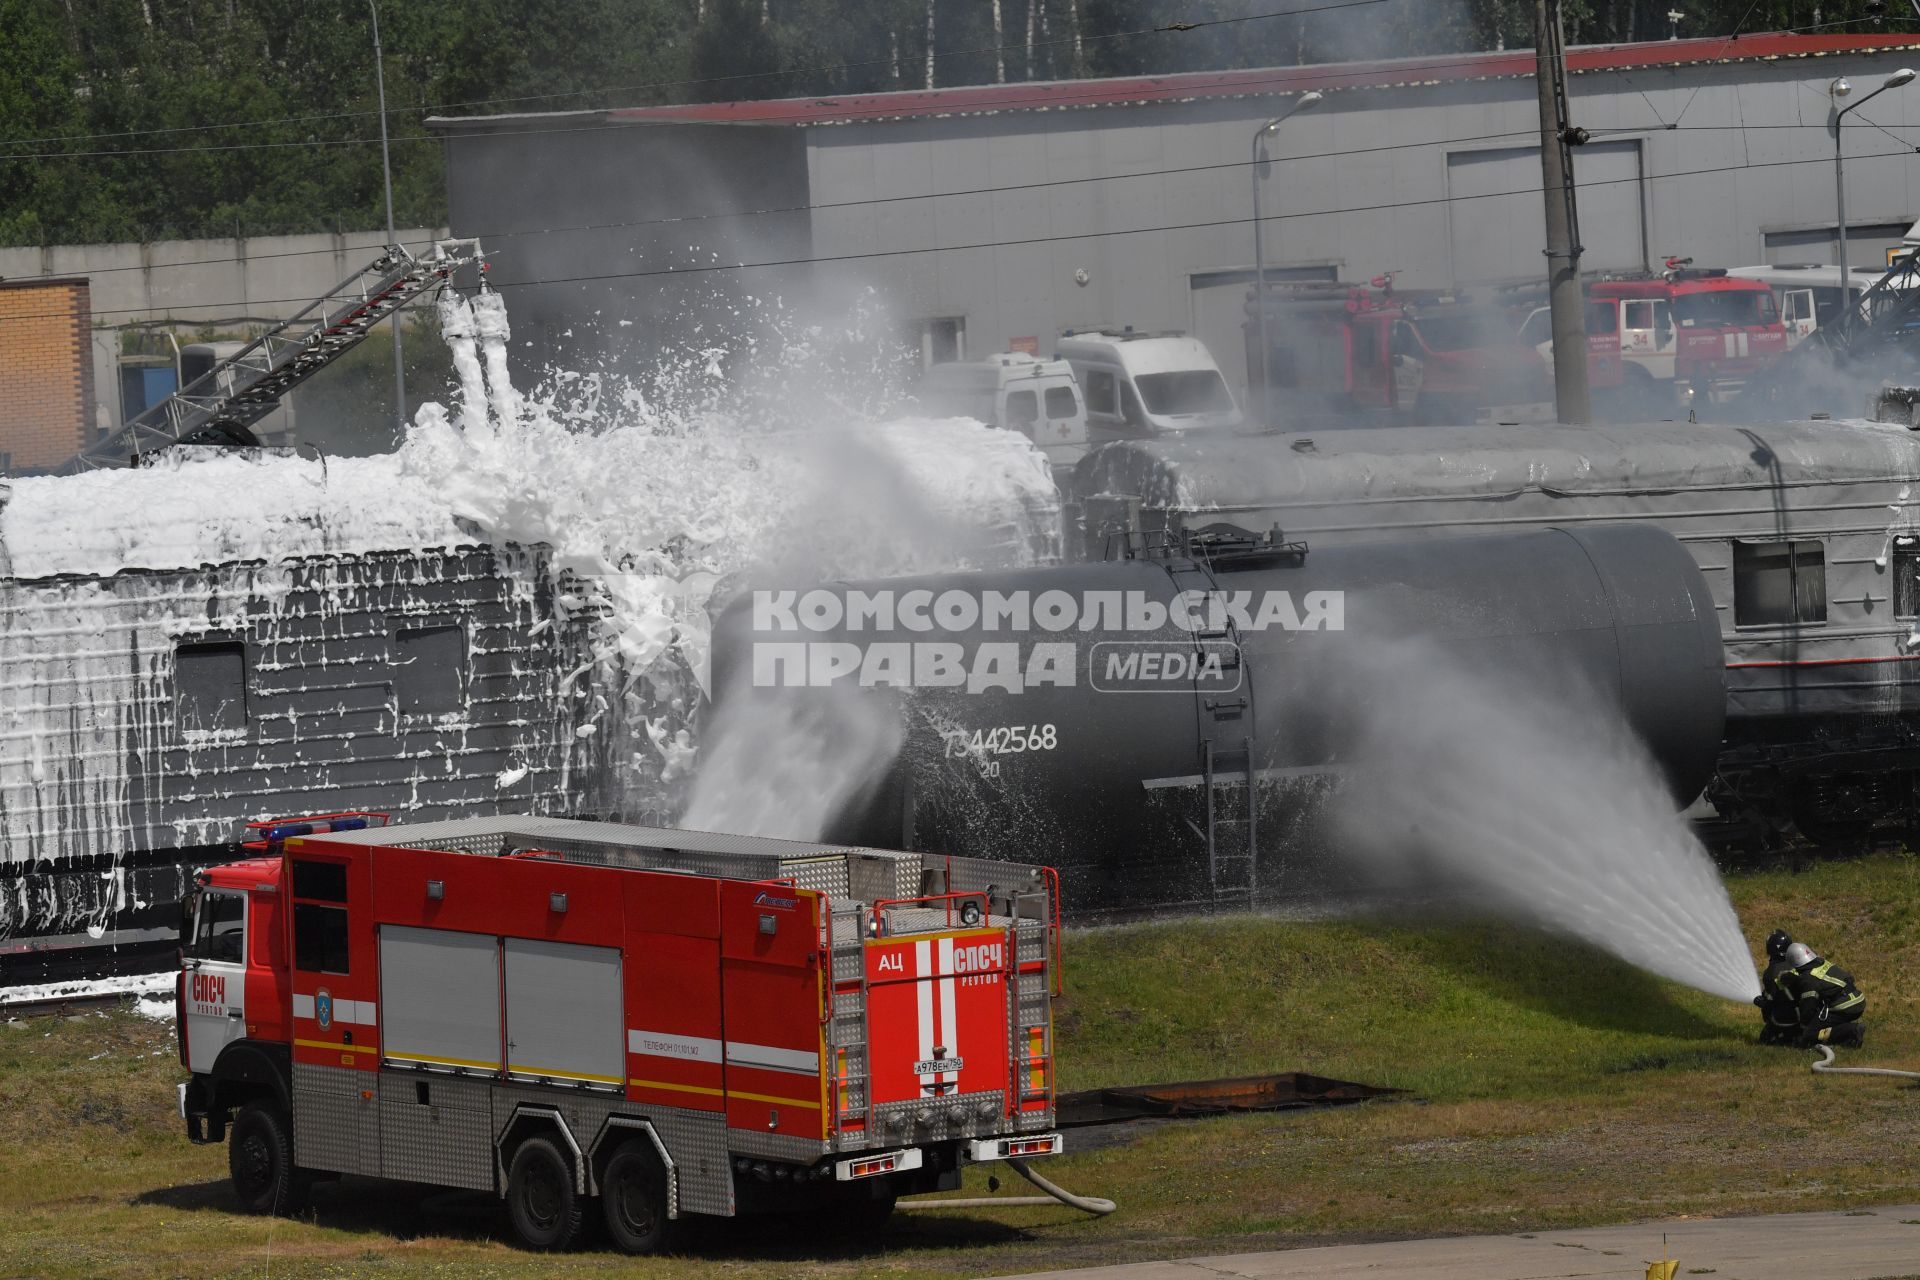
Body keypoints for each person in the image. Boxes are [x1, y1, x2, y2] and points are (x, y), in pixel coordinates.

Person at [1756, 930, 1866, 1049]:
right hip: (1857, 998)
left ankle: (1851, 1031)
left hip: (1844, 1006)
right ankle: (1844, 1031)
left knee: (1811, 1034)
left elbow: (1808, 1009)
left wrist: (1803, 1031)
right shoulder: (1821, 963)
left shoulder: (1808, 980)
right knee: (1821, 1024)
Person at [1753, 929, 1804, 1046]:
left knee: (1764, 1041)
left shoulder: (1770, 972)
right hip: (1807, 1016)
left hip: (1787, 1019)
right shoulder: (1799, 964)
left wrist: (1761, 1002)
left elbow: (1770, 1001)